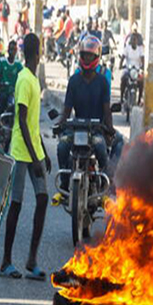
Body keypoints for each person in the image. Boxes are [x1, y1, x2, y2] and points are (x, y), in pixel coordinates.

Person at [0, 33, 51, 281]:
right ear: (36, 53)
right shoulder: (23, 79)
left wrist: (43, 154)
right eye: (40, 49)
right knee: (17, 204)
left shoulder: (33, 79)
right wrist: (34, 157)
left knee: (43, 198)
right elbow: (20, 118)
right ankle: (6, 261)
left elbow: (32, 123)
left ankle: (32, 259)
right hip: (21, 152)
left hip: (33, 149)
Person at [56, 36, 123, 195]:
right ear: (80, 55)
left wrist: (110, 129)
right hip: (76, 129)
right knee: (62, 147)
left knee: (104, 147)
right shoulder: (73, 81)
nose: (87, 58)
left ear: (97, 57)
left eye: (90, 56)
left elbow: (107, 110)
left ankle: (103, 181)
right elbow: (67, 109)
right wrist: (60, 125)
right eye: (84, 55)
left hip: (96, 130)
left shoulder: (102, 82)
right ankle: (65, 181)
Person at [0, 40, 23, 139]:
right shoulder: (2, 62)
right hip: (3, 90)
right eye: (10, 49)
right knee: (2, 103)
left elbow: (23, 77)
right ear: (7, 50)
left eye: (14, 49)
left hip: (13, 92)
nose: (12, 51)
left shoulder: (18, 65)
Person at [119, 34, 144, 105]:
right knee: (123, 78)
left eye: (135, 40)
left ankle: (139, 99)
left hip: (137, 69)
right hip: (128, 68)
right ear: (130, 41)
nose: (134, 41)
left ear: (137, 41)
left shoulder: (140, 49)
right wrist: (120, 65)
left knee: (141, 81)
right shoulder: (127, 48)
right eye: (132, 39)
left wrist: (143, 67)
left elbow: (142, 58)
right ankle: (121, 98)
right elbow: (123, 57)